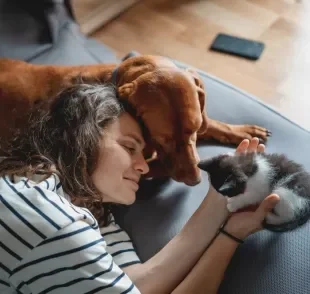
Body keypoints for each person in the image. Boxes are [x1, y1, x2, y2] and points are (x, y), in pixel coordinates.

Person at [0, 83, 279, 294]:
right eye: (129, 147)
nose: (144, 167)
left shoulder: (92, 211)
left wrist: (222, 205)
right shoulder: (51, 219)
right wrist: (230, 238)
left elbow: (141, 282)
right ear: (80, 136)